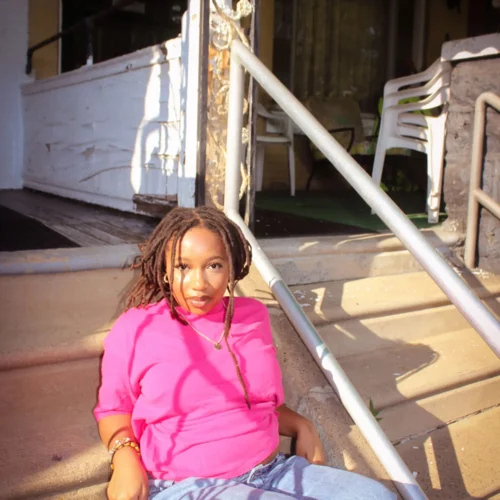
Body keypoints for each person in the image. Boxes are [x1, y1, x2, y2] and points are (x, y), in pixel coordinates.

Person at [94, 206, 396, 500]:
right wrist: (124, 457)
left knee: (377, 495)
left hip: (272, 472)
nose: (199, 283)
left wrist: (301, 424)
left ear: (232, 266)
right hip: (186, 485)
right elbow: (113, 410)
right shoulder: (137, 327)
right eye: (183, 266)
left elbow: (258, 404)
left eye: (214, 265)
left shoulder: (252, 317)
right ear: (164, 270)